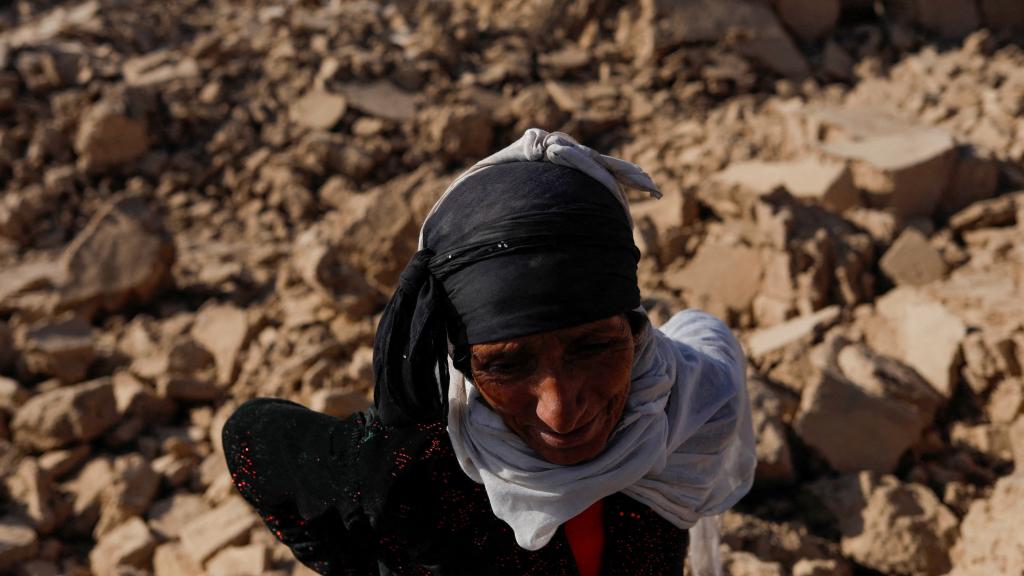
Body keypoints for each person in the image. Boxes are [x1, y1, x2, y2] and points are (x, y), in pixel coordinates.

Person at [222, 128, 756, 575]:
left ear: (635, 332)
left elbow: (711, 346)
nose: (559, 409)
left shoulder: (684, 406)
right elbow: (248, 435)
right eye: (505, 364)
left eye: (594, 347)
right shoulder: (420, 469)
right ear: (463, 361)